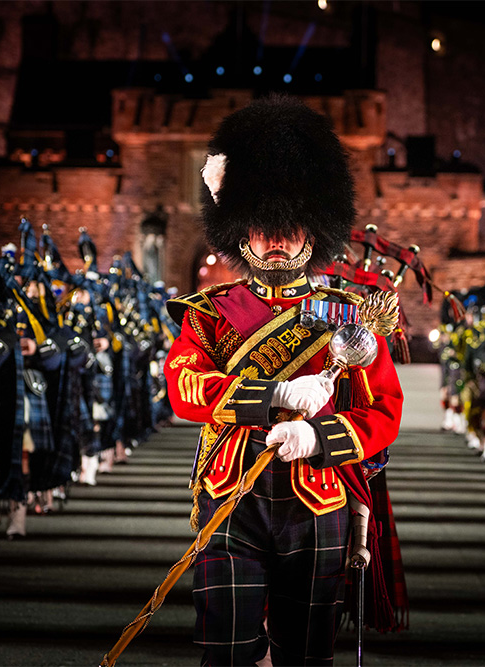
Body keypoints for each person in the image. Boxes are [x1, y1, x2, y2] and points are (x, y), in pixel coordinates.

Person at [164, 95, 404, 666]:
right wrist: (271, 396)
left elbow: (384, 412)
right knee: (224, 655)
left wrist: (319, 438)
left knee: (304, 656)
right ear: (240, 233)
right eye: (263, 227)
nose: (277, 240)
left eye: (290, 228)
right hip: (232, 496)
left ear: (312, 232)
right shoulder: (212, 312)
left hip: (316, 499)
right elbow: (184, 387)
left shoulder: (351, 314)